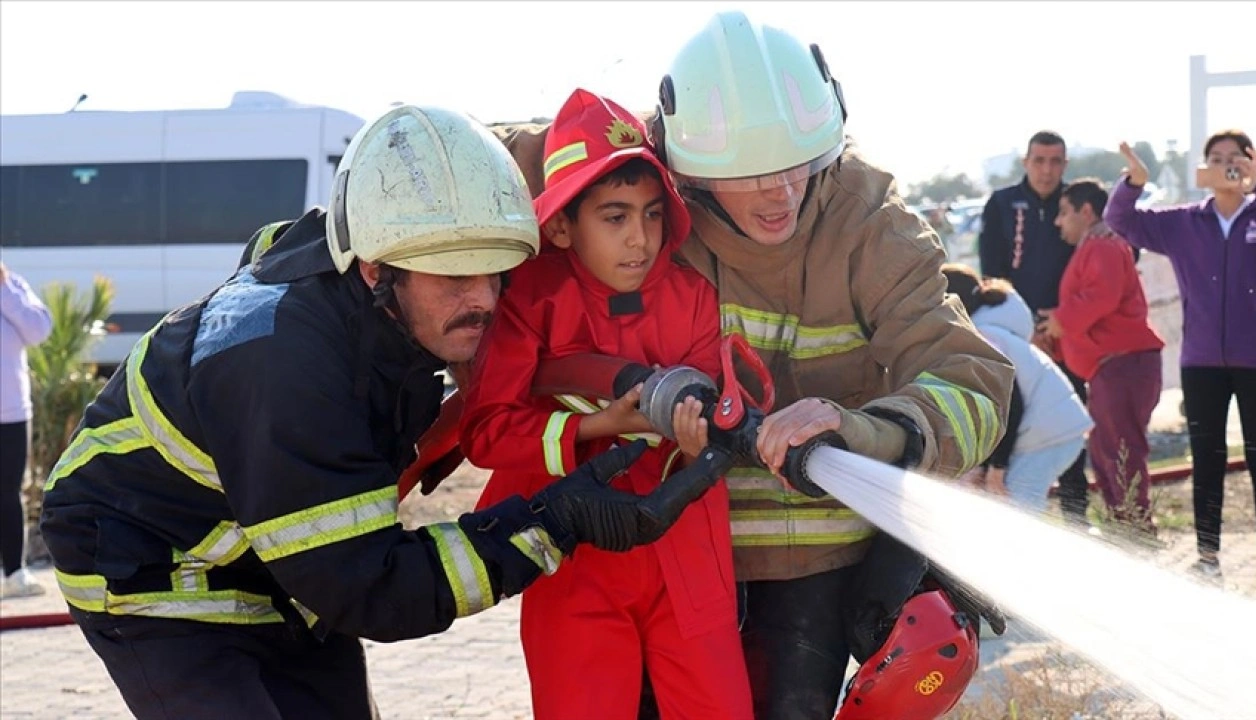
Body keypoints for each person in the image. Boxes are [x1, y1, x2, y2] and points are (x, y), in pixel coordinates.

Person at [36, 104, 724, 720]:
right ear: (375, 269)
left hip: (285, 569)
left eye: (496, 273)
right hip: (157, 574)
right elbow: (375, 590)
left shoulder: (376, 284)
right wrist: (552, 523)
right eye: (456, 276)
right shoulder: (285, 365)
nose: (485, 301)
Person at [496, 14, 1014, 717]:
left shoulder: (871, 225)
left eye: (797, 163)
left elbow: (972, 379)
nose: (781, 192)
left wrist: (862, 432)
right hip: (662, 550)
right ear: (689, 169)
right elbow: (492, 160)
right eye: (752, 173)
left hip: (814, 566)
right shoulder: (644, 174)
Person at [461, 89, 751, 719]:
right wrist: (600, 423)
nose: (640, 241)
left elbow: (708, 399)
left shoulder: (692, 294)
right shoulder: (530, 299)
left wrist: (707, 435)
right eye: (614, 217)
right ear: (562, 223)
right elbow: (486, 432)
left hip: (687, 555)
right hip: (573, 554)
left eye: (651, 215)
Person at [1105, 133, 1256, 585]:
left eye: (1235, 159)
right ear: (1203, 168)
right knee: (1208, 455)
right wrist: (1134, 181)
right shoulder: (1184, 223)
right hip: (1201, 361)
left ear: (1252, 163)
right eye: (1216, 159)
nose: (1226, 167)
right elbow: (1120, 219)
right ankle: (1207, 554)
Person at [979, 130, 1092, 524]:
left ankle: (1077, 518)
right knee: (1012, 423)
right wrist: (1023, 333)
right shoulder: (1003, 204)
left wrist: (1059, 323)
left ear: (1065, 164)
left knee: (1066, 423)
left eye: (1055, 161)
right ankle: (1011, 511)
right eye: (1039, 161)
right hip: (1016, 340)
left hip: (1068, 336)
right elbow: (991, 277)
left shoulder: (1077, 203)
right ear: (1026, 162)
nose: (1047, 170)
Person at [1040, 179, 1164, 532]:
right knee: (1109, 453)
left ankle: (1135, 532)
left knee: (1121, 453)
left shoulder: (1102, 246)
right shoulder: (1096, 245)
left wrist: (1060, 321)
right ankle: (1125, 527)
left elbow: (1102, 296)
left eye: (1064, 213)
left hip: (1123, 364)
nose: (1057, 221)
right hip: (1113, 366)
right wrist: (1058, 330)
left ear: (1086, 211)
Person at [942, 264, 1092, 513]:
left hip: (1048, 435)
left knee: (1015, 512)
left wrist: (997, 468)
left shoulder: (984, 340)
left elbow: (1010, 406)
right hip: (1048, 432)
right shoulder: (990, 332)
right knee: (1004, 508)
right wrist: (986, 465)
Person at [1, 262, 53, 598]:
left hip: (11, 411)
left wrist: (4, 291)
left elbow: (38, 330)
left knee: (8, 492)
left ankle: (15, 574)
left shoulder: (14, 286)